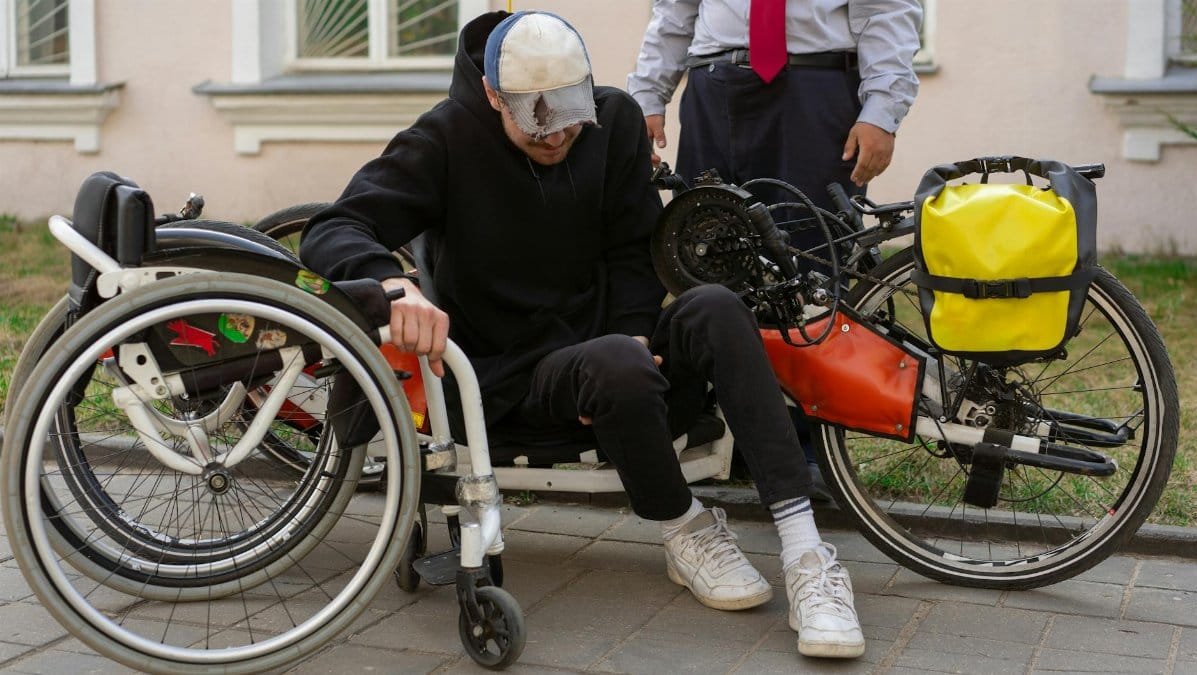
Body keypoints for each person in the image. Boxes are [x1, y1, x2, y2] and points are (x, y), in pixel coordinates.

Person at [301, 10, 865, 659]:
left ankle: (807, 555)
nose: (557, 137)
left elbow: (632, 250)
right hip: (518, 378)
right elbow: (333, 227)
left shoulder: (614, 120)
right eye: (537, 125)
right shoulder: (446, 137)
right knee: (616, 367)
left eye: (570, 120)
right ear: (493, 97)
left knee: (716, 306)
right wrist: (390, 284)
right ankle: (685, 527)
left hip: (623, 353)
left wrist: (631, 332)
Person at [627, 0, 923, 497]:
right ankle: (721, 436)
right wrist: (648, 95)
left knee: (809, 272)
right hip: (713, 90)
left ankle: (805, 450)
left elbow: (886, 10)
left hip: (815, 89)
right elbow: (675, 11)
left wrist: (882, 110)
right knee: (707, 266)